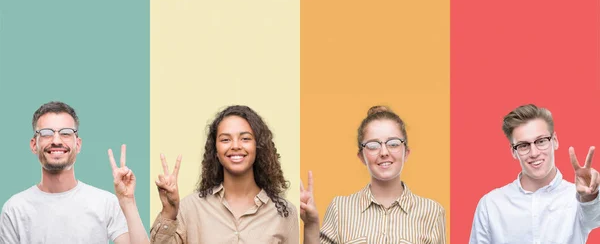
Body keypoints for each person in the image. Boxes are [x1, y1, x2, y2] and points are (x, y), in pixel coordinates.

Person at [0, 101, 149, 244]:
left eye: (65, 133)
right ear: (34, 145)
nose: (56, 140)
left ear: (77, 144)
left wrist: (128, 201)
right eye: (46, 133)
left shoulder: (105, 203)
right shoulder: (15, 208)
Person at [150, 105, 299, 243]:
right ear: (215, 150)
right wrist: (168, 213)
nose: (235, 146)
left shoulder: (284, 213)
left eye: (245, 138)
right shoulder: (189, 208)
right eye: (225, 139)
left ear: (258, 146)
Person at [300, 105, 446, 244]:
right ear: (361, 156)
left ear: (406, 153)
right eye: (373, 145)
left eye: (393, 143)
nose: (383, 152)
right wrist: (311, 224)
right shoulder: (340, 208)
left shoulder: (432, 212)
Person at [469, 104, 600, 244]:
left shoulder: (576, 199)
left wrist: (590, 196)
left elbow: (594, 217)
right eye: (523, 145)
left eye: (541, 141)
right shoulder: (491, 204)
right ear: (514, 151)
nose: (534, 153)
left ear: (554, 141)